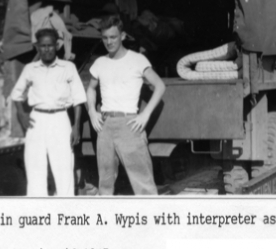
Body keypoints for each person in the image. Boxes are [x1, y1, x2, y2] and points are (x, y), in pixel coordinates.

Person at [87, 15, 166, 195]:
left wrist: (145, 115)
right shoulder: (100, 63)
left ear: (122, 36)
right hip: (105, 126)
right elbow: (90, 89)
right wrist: (92, 111)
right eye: (105, 38)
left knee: (143, 185)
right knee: (105, 184)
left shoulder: (137, 60)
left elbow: (160, 86)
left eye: (113, 37)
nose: (109, 42)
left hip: (129, 125)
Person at [11, 28, 86, 197]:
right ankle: (38, 211)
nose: (46, 49)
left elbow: (78, 99)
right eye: (43, 46)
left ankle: (65, 209)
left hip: (60, 118)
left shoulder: (68, 67)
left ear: (57, 46)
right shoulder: (30, 69)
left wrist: (76, 127)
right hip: (37, 119)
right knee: (35, 167)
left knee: (64, 166)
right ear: (37, 47)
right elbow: (16, 94)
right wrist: (22, 115)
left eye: (50, 45)